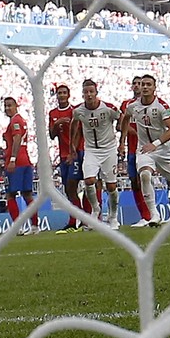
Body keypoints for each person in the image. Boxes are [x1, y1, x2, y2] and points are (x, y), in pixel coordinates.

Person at [126, 74, 170, 226]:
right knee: (145, 175)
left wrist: (156, 143)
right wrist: (123, 137)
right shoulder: (133, 106)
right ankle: (154, 215)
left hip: (162, 150)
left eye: (148, 84)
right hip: (144, 149)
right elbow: (125, 118)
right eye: (142, 84)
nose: (145, 87)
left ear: (154, 88)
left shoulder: (162, 107)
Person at [71, 79, 123, 229]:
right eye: (86, 92)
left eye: (91, 92)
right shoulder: (79, 111)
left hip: (108, 149)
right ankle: (96, 209)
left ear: (96, 93)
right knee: (89, 180)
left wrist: (121, 140)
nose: (89, 95)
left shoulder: (108, 108)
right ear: (82, 94)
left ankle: (113, 217)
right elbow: (74, 124)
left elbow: (122, 118)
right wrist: (72, 145)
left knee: (111, 186)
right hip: (91, 150)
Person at [47, 83, 84, 232]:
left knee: (72, 184)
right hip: (62, 155)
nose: (61, 95)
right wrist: (56, 124)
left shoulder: (74, 111)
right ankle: (76, 218)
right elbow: (52, 135)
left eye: (64, 93)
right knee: (68, 189)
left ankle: (78, 218)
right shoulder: (53, 113)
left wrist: (72, 151)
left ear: (68, 95)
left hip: (74, 153)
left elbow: (79, 133)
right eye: (59, 93)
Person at [117, 77, 155, 225]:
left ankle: (152, 213)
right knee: (134, 181)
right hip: (132, 148)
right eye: (135, 84)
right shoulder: (127, 105)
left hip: (145, 148)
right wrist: (122, 144)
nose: (137, 86)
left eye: (140, 84)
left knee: (144, 178)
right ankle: (144, 216)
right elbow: (121, 125)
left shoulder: (151, 104)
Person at [1, 96, 38, 233]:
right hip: (25, 160)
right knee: (27, 194)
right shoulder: (20, 120)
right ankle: (35, 226)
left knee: (10, 195)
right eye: (5, 106)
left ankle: (18, 227)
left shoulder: (16, 121)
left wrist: (12, 159)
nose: (7, 108)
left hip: (16, 163)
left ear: (16, 106)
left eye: (10, 105)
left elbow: (16, 138)